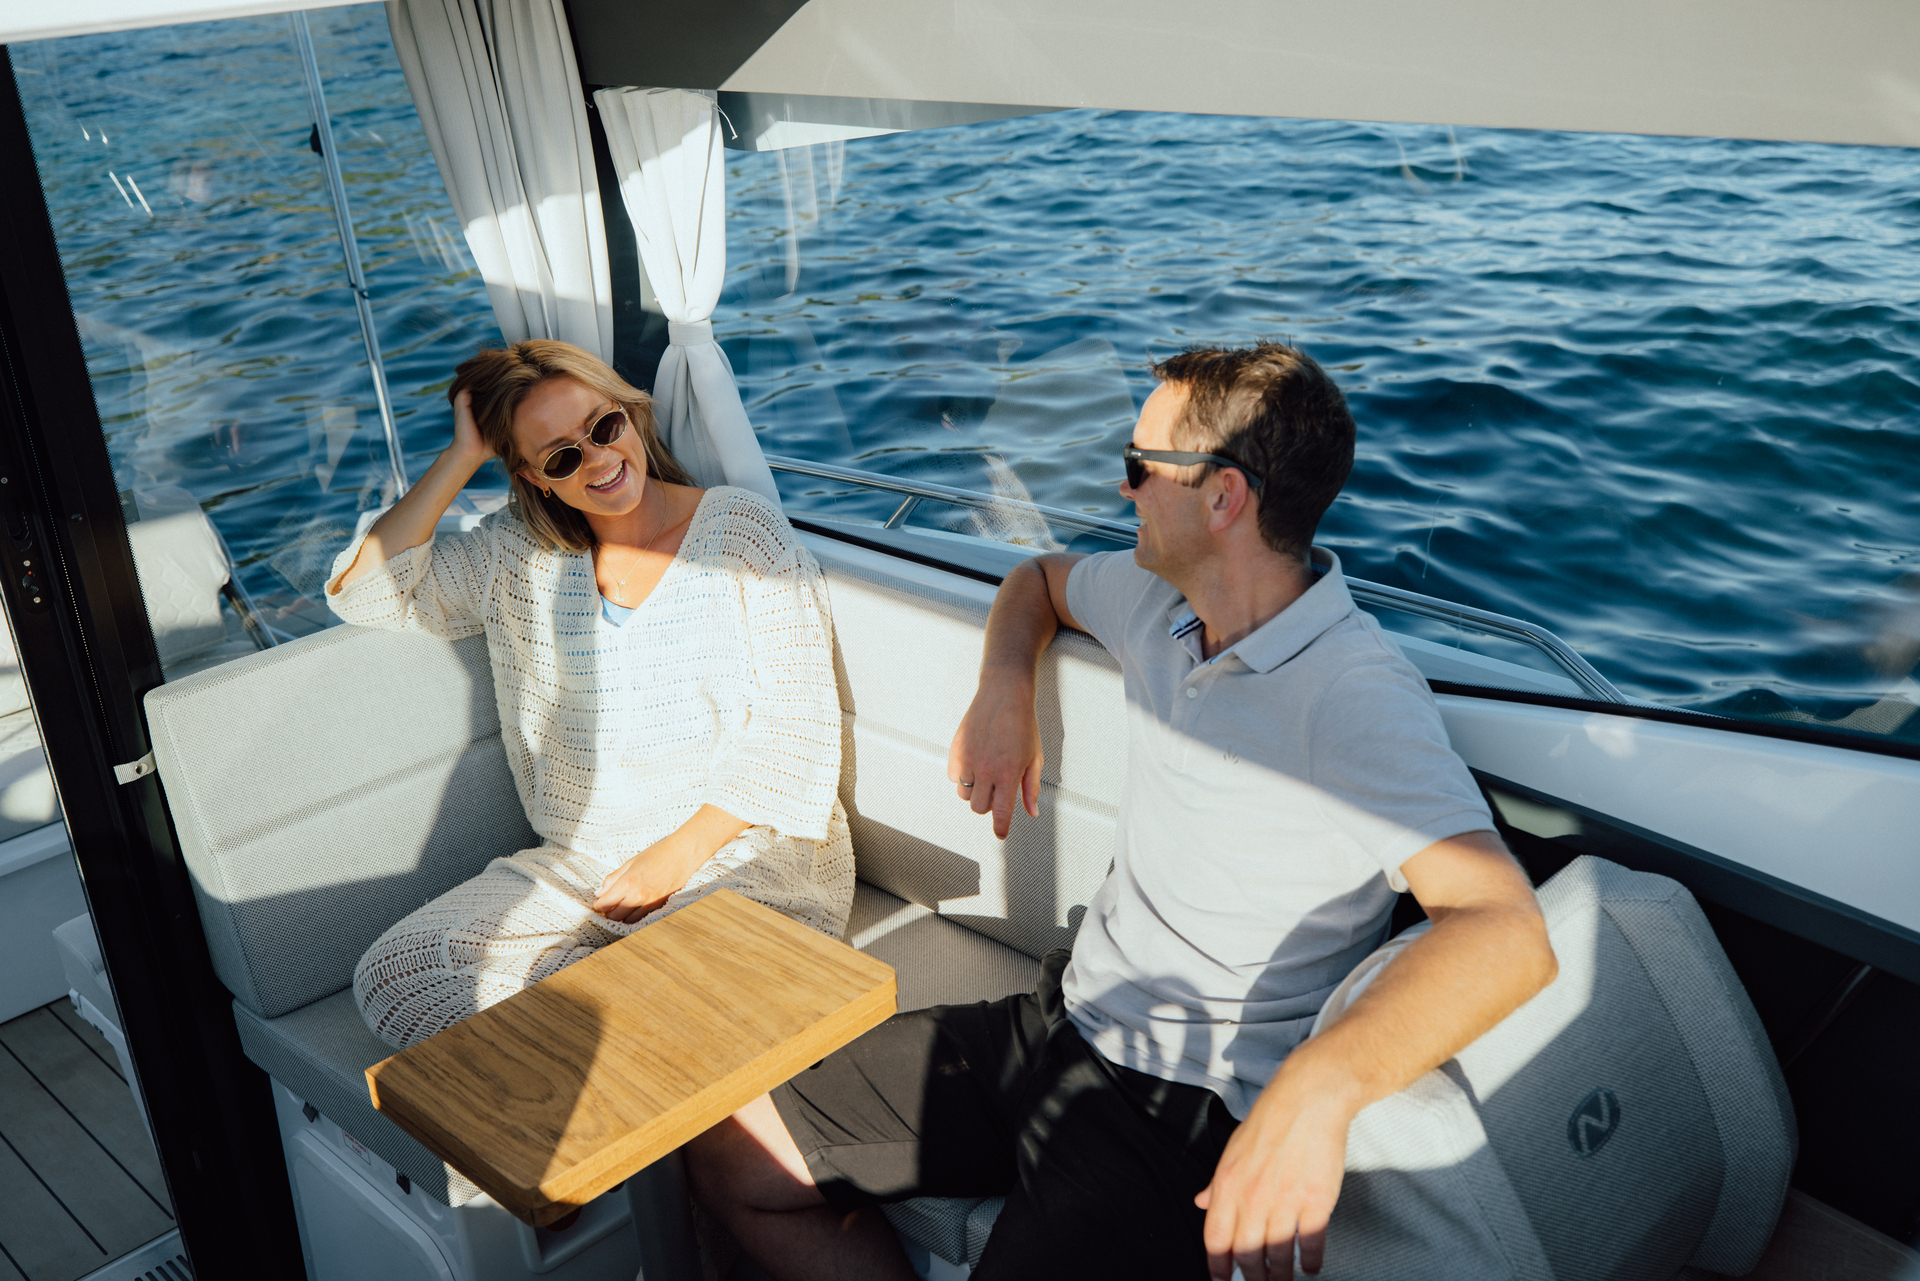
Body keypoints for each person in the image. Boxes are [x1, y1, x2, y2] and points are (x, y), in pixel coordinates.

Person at [685, 342, 1559, 1280]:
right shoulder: (1159, 603)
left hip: (1176, 1115)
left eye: (1141, 466)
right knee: (731, 1147)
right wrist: (1004, 688)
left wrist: (1319, 1089)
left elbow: (1505, 929)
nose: (1121, 486)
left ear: (1223, 497)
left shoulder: (1354, 694)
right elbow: (1038, 581)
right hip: (1060, 1020)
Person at [328, 340, 854, 1050]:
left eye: (604, 427)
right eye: (561, 457)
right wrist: (461, 456)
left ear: (631, 415)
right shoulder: (515, 554)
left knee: (688, 967)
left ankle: (613, 1029)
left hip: (737, 851)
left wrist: (672, 858)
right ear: (533, 478)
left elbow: (798, 728)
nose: (599, 459)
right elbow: (365, 591)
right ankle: (634, 1027)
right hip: (580, 864)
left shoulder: (740, 532)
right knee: (398, 975)